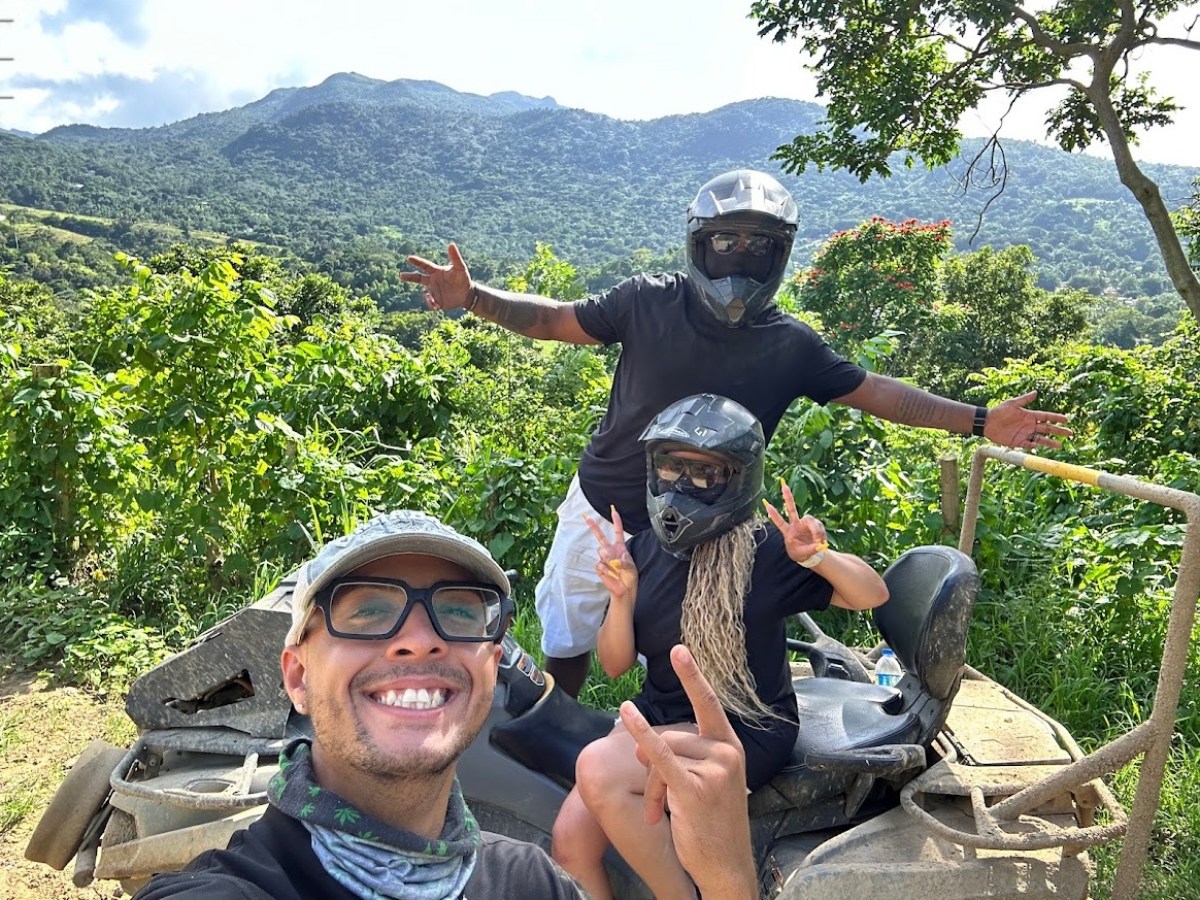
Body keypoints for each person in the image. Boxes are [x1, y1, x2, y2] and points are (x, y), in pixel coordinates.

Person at [401, 168, 1071, 697]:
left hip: (716, 523)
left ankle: (728, 733)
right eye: (725, 242)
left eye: (757, 246)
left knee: (717, 641)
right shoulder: (646, 302)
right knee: (572, 631)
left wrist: (983, 420)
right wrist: (475, 299)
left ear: (779, 254)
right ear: (699, 244)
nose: (738, 259)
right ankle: (561, 732)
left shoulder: (791, 346)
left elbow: (880, 394)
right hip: (606, 504)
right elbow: (553, 321)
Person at [133, 510, 757, 900]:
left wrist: (729, 881)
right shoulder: (232, 890)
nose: (421, 636)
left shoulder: (531, 884)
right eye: (370, 609)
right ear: (297, 676)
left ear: (491, 664)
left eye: (459, 612)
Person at [549, 394, 890, 900]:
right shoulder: (643, 549)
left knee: (597, 766)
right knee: (570, 843)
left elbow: (872, 594)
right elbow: (616, 664)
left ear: (738, 478)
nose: (681, 486)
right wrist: (621, 598)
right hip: (662, 715)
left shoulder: (764, 554)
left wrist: (818, 556)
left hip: (745, 728)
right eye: (671, 468)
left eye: (705, 474)